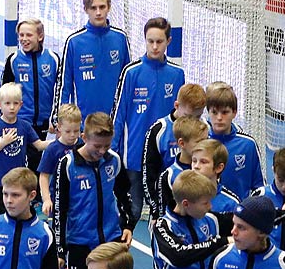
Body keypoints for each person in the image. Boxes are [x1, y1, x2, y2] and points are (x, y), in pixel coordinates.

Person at [53, 112, 134, 269]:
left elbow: (124, 195)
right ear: (83, 137)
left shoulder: (114, 160)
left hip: (111, 241)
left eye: (106, 146)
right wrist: (60, 249)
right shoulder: (68, 165)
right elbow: (60, 209)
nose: (101, 151)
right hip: (80, 244)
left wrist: (127, 225)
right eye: (97, 146)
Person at [113, 17, 186, 232]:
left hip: (165, 158)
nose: (154, 46)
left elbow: (181, 117)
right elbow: (118, 114)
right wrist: (113, 151)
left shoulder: (177, 74)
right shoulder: (131, 72)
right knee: (132, 212)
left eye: (159, 42)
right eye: (150, 41)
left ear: (168, 41)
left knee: (166, 215)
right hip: (134, 156)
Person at [58, 0, 131, 122]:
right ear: (85, 9)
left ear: (109, 7)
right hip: (83, 123)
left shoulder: (120, 38)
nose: (98, 12)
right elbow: (64, 84)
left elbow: (127, 83)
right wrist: (58, 118)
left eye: (102, 7)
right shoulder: (74, 41)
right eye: (93, 8)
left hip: (113, 121)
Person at [142, 82, 207, 222]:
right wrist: (156, 210)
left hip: (196, 206)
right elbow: (149, 175)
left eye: (198, 116)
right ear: (177, 106)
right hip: (165, 206)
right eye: (189, 116)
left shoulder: (205, 129)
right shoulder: (159, 130)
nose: (193, 121)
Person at [0, 83, 44, 217]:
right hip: (0, 179)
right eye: (7, 103)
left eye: (15, 103)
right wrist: (2, 143)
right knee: (4, 213)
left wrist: (60, 141)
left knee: (20, 212)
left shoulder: (24, 126)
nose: (11, 107)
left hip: (19, 179)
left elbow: (39, 145)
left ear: (21, 105)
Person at [204, 82, 265, 203]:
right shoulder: (201, 143)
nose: (219, 117)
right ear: (208, 112)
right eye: (214, 112)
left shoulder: (248, 145)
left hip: (239, 215)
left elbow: (259, 186)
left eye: (225, 112)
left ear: (234, 112)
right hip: (207, 213)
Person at [0, 18, 59, 138]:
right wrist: (4, 118)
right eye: (21, 35)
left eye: (29, 35)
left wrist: (55, 117)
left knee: (37, 156)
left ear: (40, 36)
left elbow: (60, 91)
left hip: (43, 122)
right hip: (19, 121)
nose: (24, 39)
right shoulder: (13, 60)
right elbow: (3, 91)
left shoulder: (53, 59)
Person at [38, 104, 84, 235]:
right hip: (59, 198)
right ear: (59, 128)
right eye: (68, 131)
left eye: (76, 131)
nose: (72, 135)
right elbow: (44, 176)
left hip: (79, 197)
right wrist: (46, 199)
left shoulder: (82, 145)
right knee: (60, 232)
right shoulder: (53, 149)